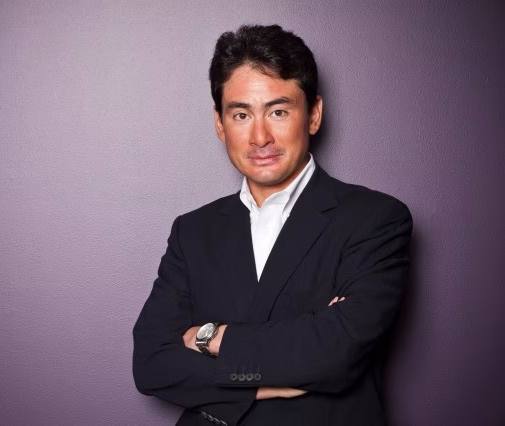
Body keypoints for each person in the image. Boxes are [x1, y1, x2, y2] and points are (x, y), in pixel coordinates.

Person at [133, 24, 412, 426]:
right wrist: (261, 382)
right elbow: (151, 364)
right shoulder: (191, 231)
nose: (259, 137)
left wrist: (209, 337)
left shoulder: (375, 219)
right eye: (241, 114)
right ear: (219, 123)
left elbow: (335, 352)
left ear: (313, 115)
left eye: (278, 111)